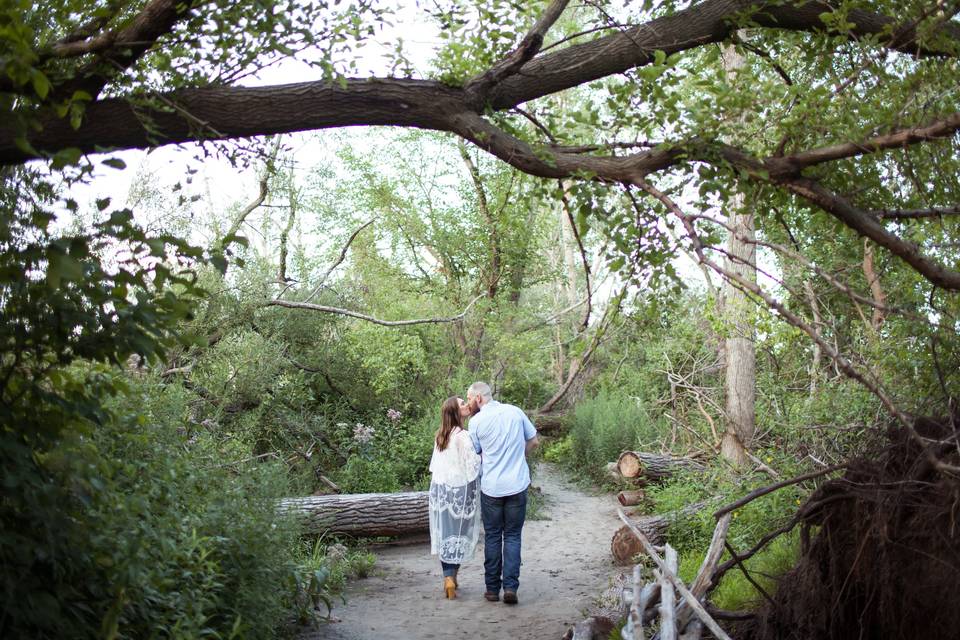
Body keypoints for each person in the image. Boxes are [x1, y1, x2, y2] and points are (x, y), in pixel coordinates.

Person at [466, 381, 539, 605]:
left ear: (478, 398)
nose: (469, 403)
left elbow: (476, 453)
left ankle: (491, 589)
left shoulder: (476, 422)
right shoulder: (515, 412)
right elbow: (534, 441)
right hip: (517, 484)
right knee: (513, 536)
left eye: (469, 399)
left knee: (493, 536)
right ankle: (510, 587)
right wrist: (520, 457)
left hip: (492, 488)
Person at [428, 396, 481, 599]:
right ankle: (452, 576)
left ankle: (449, 577)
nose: (466, 405)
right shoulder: (463, 436)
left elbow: (435, 467)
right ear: (455, 412)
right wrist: (482, 457)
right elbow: (472, 467)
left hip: (441, 491)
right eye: (462, 404)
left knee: (445, 534)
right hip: (460, 492)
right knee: (458, 534)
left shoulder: (440, 435)